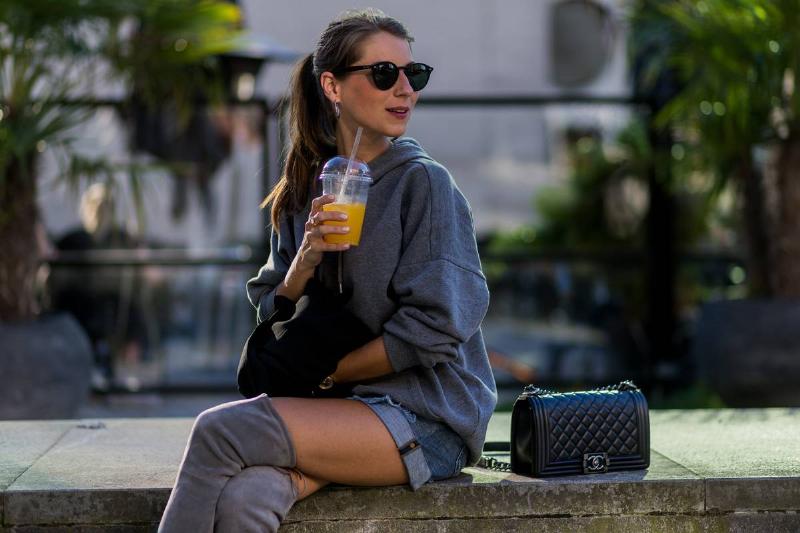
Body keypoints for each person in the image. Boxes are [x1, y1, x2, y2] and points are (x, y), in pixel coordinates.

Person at [158, 8, 496, 532]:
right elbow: (273, 313)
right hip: (341, 411)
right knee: (251, 495)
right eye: (385, 74)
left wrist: (328, 375)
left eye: (415, 74)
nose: (405, 89)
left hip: (427, 416)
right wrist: (305, 258)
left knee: (219, 431)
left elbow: (434, 332)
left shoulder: (423, 184)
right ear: (333, 86)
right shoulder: (304, 189)